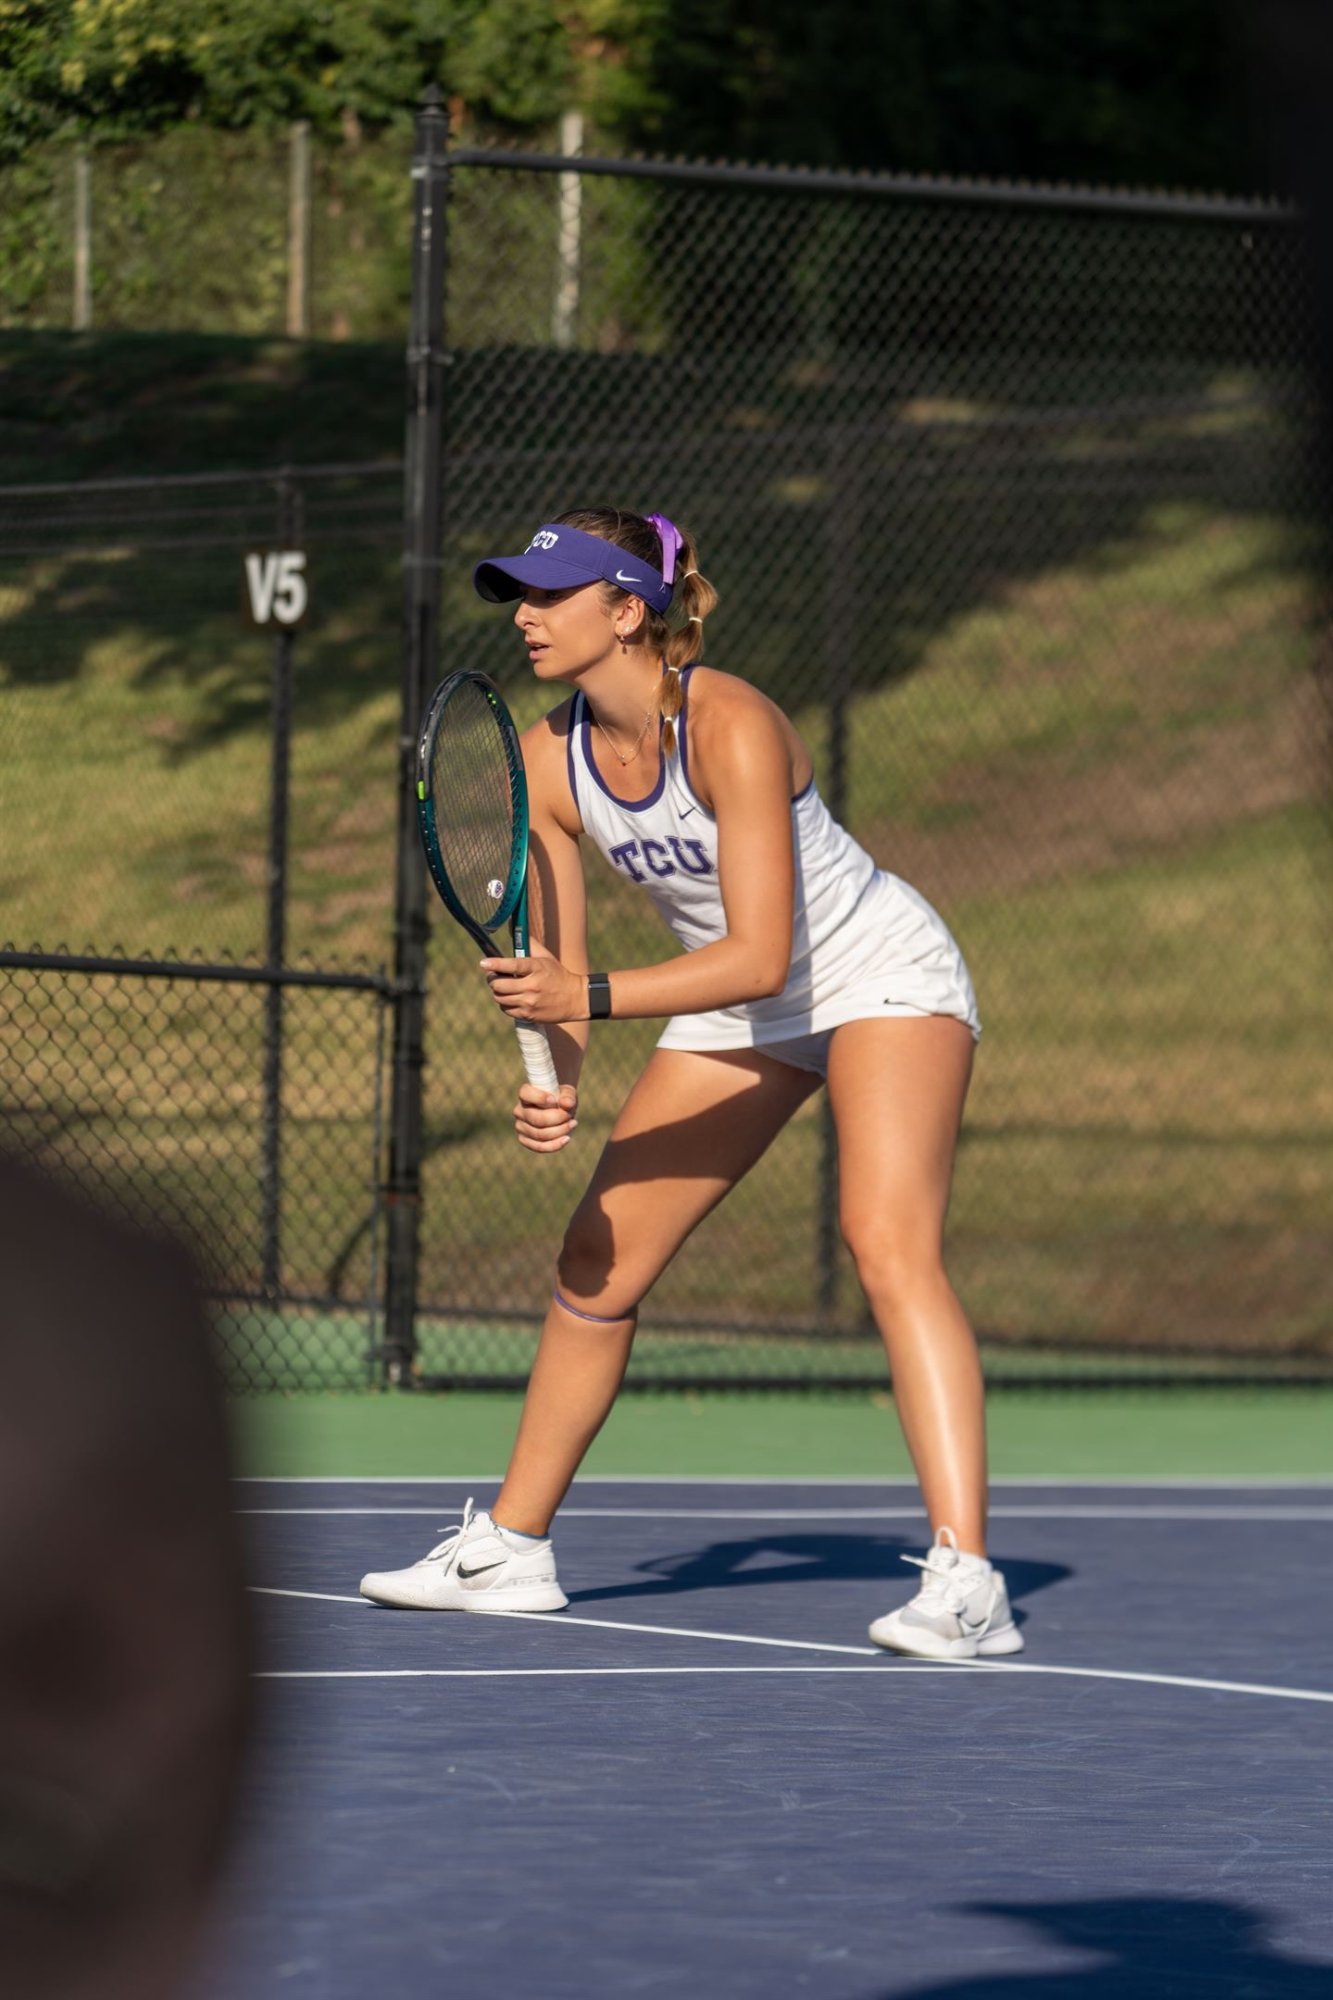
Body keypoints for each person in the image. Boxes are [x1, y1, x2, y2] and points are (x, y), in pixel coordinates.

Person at [360, 507, 1022, 1661]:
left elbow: (763, 951)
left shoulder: (732, 724)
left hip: (875, 974)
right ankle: (511, 1547)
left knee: (884, 1238)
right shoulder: (544, 761)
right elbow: (562, 974)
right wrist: (556, 1073)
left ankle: (966, 1579)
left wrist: (591, 1001)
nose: (524, 613)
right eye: (517, 593)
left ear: (628, 611)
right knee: (595, 1257)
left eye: (550, 594)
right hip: (733, 1003)